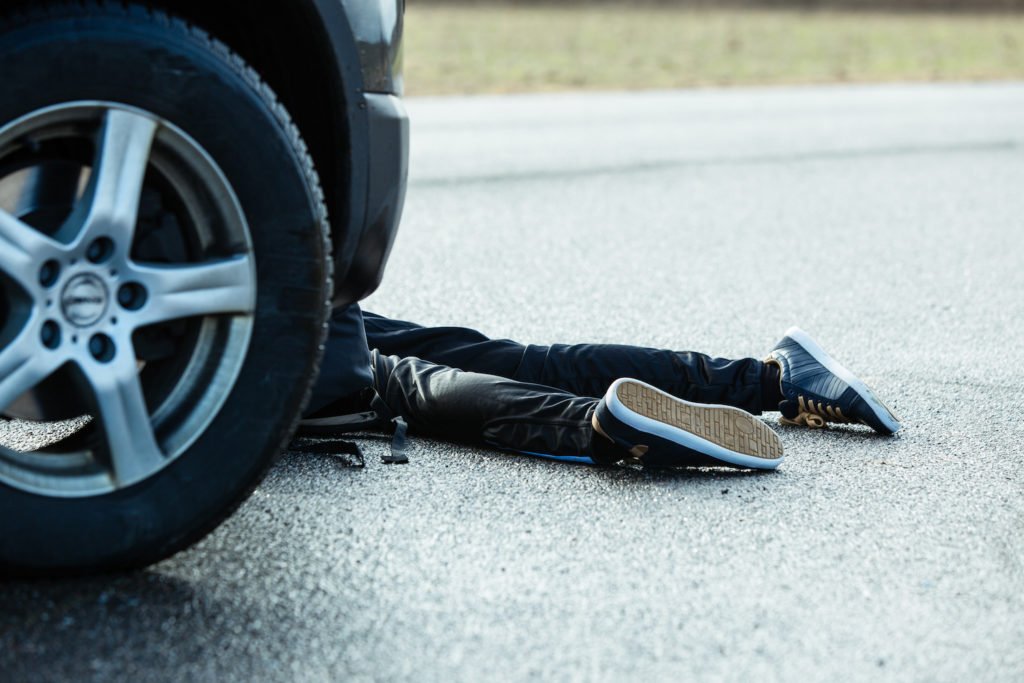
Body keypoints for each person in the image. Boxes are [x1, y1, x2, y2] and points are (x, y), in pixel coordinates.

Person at [303, 304, 901, 470]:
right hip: (303, 278)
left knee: (407, 385)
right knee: (522, 358)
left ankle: (602, 425)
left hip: (258, 339)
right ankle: (777, 379)